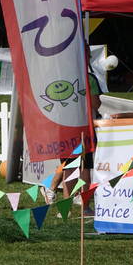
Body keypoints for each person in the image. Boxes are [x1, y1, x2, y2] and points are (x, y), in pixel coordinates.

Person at [45, 72, 103, 215]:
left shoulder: (59, 76)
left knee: (73, 168)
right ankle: (81, 208)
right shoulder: (87, 77)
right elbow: (96, 104)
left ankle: (70, 208)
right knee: (80, 168)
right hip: (79, 128)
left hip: (68, 127)